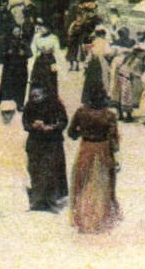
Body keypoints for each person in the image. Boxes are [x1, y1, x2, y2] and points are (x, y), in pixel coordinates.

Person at [67, 89, 122, 234]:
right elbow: (114, 140)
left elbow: (71, 133)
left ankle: (83, 218)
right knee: (102, 184)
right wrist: (115, 156)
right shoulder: (109, 115)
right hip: (103, 150)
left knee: (83, 183)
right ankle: (101, 219)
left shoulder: (81, 112)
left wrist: (83, 131)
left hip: (86, 149)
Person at [21, 84, 70, 212]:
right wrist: (33, 126)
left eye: (37, 96)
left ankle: (52, 200)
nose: (35, 99)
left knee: (52, 171)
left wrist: (52, 127)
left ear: (44, 94)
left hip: (52, 142)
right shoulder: (29, 106)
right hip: (35, 143)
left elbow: (64, 121)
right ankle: (37, 200)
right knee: (35, 171)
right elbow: (25, 123)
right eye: (32, 96)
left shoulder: (56, 105)